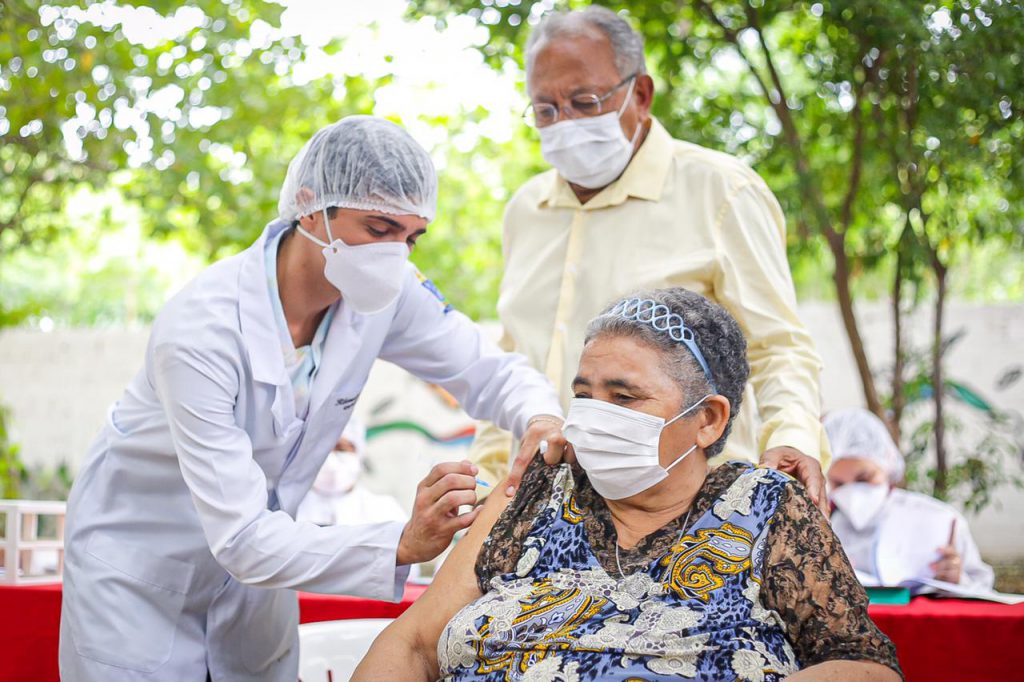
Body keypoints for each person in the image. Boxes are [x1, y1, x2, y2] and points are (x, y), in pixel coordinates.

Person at [58, 116, 565, 682]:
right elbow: (244, 537)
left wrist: (541, 418)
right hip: (139, 577)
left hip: (257, 581)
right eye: (378, 228)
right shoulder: (201, 331)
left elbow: (489, 369)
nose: (396, 255)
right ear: (309, 206)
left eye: (411, 236)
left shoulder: (384, 296)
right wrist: (402, 542)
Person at [355, 289, 901, 681]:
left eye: (624, 398)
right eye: (584, 395)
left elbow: (863, 664)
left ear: (707, 419)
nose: (594, 415)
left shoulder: (763, 507)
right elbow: (412, 644)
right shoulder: (534, 492)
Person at [470, 5, 831, 510]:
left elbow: (778, 347)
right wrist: (488, 481)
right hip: (539, 514)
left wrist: (792, 435)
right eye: (546, 110)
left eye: (584, 101)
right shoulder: (525, 211)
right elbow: (511, 361)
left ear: (639, 94)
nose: (564, 123)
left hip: (689, 515)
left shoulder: (721, 192)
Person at [824, 408, 995, 591]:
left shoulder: (940, 519)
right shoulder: (823, 527)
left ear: (887, 462)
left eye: (864, 479)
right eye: (839, 484)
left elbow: (984, 590)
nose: (853, 493)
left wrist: (958, 579)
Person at [296, 416, 407, 526]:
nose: (331, 460)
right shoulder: (288, 513)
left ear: (358, 454)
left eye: (341, 449)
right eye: (323, 449)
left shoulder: (386, 512)